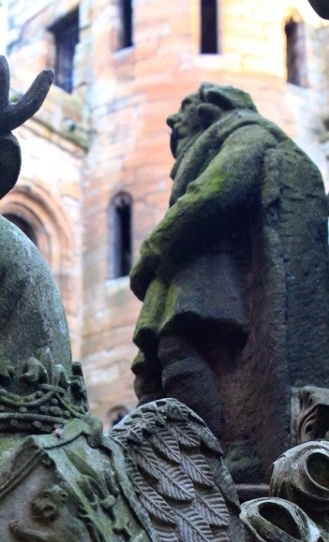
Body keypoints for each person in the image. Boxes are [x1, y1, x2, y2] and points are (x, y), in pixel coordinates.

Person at [130, 83, 329, 485]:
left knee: (183, 349)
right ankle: (197, 454)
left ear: (212, 107)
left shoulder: (247, 133)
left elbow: (217, 192)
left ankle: (210, 456)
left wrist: (156, 246)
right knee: (172, 356)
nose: (172, 118)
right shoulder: (216, 146)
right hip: (200, 273)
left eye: (184, 107)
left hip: (219, 277)